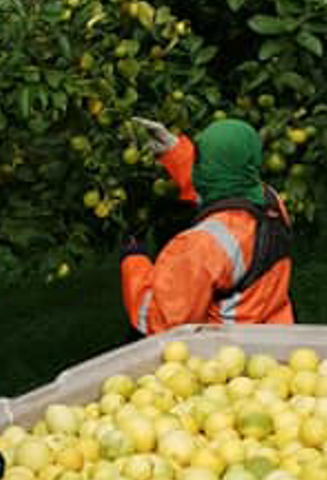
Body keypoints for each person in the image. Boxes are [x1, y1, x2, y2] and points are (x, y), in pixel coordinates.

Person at [119, 116, 295, 334]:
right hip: (277, 337)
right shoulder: (271, 202)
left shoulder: (202, 245)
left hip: (228, 355)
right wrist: (175, 152)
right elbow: (223, 186)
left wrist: (134, 261)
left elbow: (161, 320)